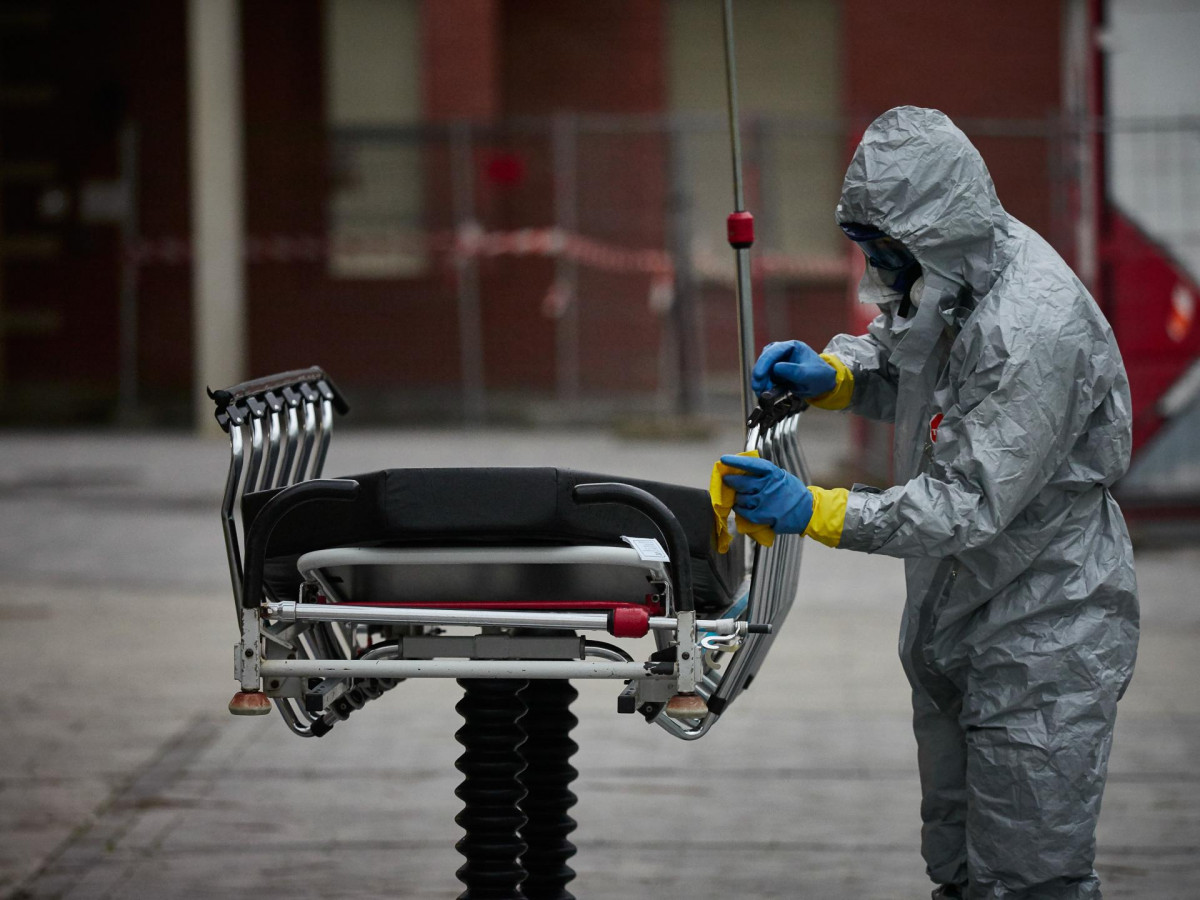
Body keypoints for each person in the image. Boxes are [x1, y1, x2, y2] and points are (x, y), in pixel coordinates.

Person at [720, 106, 1138, 899]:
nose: (884, 270)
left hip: (1043, 629)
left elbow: (962, 505)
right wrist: (836, 374)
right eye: (870, 251)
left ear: (935, 230)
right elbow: (907, 355)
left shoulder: (1030, 329)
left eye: (889, 251)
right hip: (959, 618)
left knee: (1027, 878)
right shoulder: (953, 275)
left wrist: (818, 510)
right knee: (956, 865)